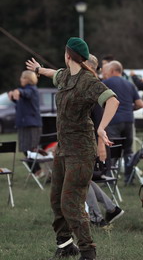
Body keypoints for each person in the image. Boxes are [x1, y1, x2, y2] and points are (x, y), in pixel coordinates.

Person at [25, 37, 119, 260]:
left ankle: (88, 251)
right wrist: (38, 69)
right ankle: (66, 245)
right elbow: (53, 73)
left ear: (68, 55)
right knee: (56, 199)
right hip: (63, 149)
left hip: (81, 151)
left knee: (71, 202)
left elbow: (112, 100)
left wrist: (101, 128)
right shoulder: (66, 76)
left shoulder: (88, 80)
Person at [101, 61, 143, 175]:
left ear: (112, 71)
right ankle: (129, 177)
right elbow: (140, 104)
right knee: (128, 151)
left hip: (113, 120)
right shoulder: (130, 84)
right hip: (128, 120)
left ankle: (110, 177)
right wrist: (129, 109)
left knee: (112, 150)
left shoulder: (106, 83)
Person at [8, 70, 42, 157]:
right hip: (24, 124)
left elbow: (26, 93)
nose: (21, 79)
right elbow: (22, 104)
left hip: (31, 124)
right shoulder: (26, 90)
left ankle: (36, 166)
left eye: (23, 78)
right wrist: (13, 97)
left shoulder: (32, 90)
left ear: (29, 79)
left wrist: (19, 91)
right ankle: (34, 166)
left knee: (30, 150)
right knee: (25, 149)